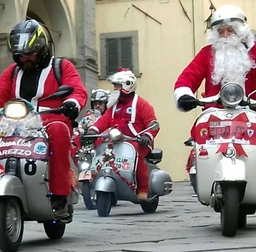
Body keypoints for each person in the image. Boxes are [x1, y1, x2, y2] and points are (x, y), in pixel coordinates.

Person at [0, 19, 87, 219]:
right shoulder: (11, 72)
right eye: (20, 56)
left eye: (29, 54)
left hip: (51, 118)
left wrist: (73, 103)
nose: (25, 59)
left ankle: (59, 195)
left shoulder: (61, 66)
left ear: (42, 49)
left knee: (58, 131)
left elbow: (77, 89)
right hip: (14, 121)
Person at [85, 67, 159, 200]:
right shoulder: (113, 106)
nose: (115, 89)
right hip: (116, 141)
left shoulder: (142, 104)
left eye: (117, 86)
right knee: (101, 152)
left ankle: (143, 189)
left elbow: (152, 123)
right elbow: (103, 121)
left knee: (137, 156)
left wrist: (146, 136)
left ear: (127, 85)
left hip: (137, 141)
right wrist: (93, 130)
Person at [174, 4, 256, 112]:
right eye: (220, 31)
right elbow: (188, 77)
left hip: (251, 114)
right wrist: (184, 95)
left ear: (240, 30)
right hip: (215, 114)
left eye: (230, 30)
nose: (225, 35)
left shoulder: (254, 50)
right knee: (200, 129)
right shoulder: (207, 53)